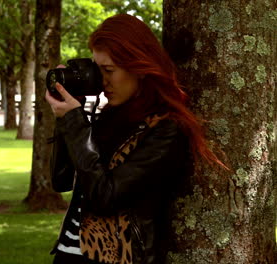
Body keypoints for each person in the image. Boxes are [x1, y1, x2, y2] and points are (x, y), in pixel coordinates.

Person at [45, 14, 228, 264]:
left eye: (108, 70)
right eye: (97, 70)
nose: (102, 81)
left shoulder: (165, 130)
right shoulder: (106, 117)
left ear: (139, 68)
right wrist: (65, 114)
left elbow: (105, 197)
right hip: (68, 255)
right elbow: (61, 180)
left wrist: (74, 123)